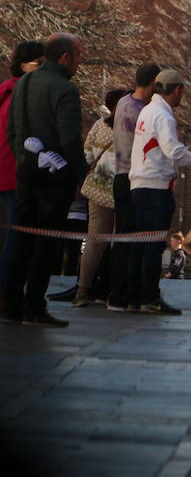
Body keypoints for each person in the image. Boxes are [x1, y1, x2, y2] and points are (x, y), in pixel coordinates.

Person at [2, 33, 88, 326]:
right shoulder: (64, 89)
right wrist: (78, 171)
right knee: (46, 243)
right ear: (64, 57)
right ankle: (35, 306)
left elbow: (13, 130)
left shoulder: (24, 82)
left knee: (23, 238)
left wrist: (23, 159)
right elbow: (69, 139)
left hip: (26, 171)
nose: (79, 60)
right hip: (56, 175)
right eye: (77, 55)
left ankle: (12, 303)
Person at [130, 69, 191, 314]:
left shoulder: (147, 110)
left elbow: (161, 149)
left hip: (140, 186)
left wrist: (187, 150)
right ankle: (150, 298)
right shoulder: (164, 115)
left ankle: (136, 296)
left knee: (141, 245)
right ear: (178, 90)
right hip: (156, 189)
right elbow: (173, 152)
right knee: (153, 247)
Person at [108, 63, 160, 311]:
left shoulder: (123, 102)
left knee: (125, 237)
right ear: (152, 83)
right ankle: (120, 294)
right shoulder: (139, 110)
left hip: (122, 175)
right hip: (132, 177)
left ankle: (123, 292)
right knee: (129, 238)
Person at [74, 88, 129, 306]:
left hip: (97, 190)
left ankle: (82, 290)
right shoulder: (132, 127)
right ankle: (115, 292)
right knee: (120, 243)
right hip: (123, 191)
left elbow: (86, 156)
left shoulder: (99, 125)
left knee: (94, 241)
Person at [0, 41, 44, 299]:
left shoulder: (6, 92)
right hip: (14, 171)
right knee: (15, 238)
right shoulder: (24, 94)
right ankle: (7, 292)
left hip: (6, 170)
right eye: (38, 64)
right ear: (23, 65)